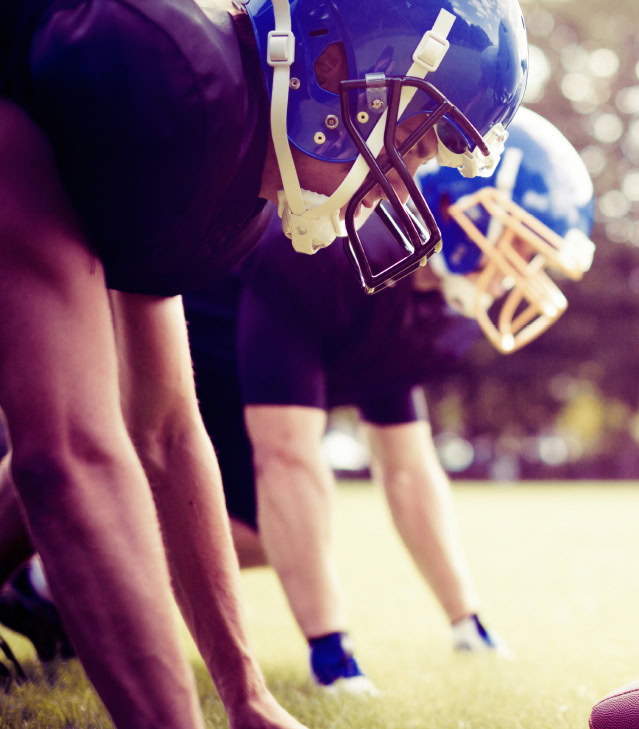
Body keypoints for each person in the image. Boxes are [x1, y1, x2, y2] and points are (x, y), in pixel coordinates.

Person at [0, 0, 525, 723]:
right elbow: (69, 456)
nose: (410, 181)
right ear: (340, 69)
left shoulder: (238, 181)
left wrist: (246, 693)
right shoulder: (172, 80)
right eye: (418, 142)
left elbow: (165, 432)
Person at [187, 107, 595, 694]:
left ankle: (72, 576)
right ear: (454, 206)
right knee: (109, 476)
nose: (518, 272)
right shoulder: (333, 253)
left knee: (253, 532)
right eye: (517, 245)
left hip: (253, 376)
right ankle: (77, 558)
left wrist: (467, 621)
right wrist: (333, 654)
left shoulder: (439, 310)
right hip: (197, 350)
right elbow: (288, 456)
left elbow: (406, 467)